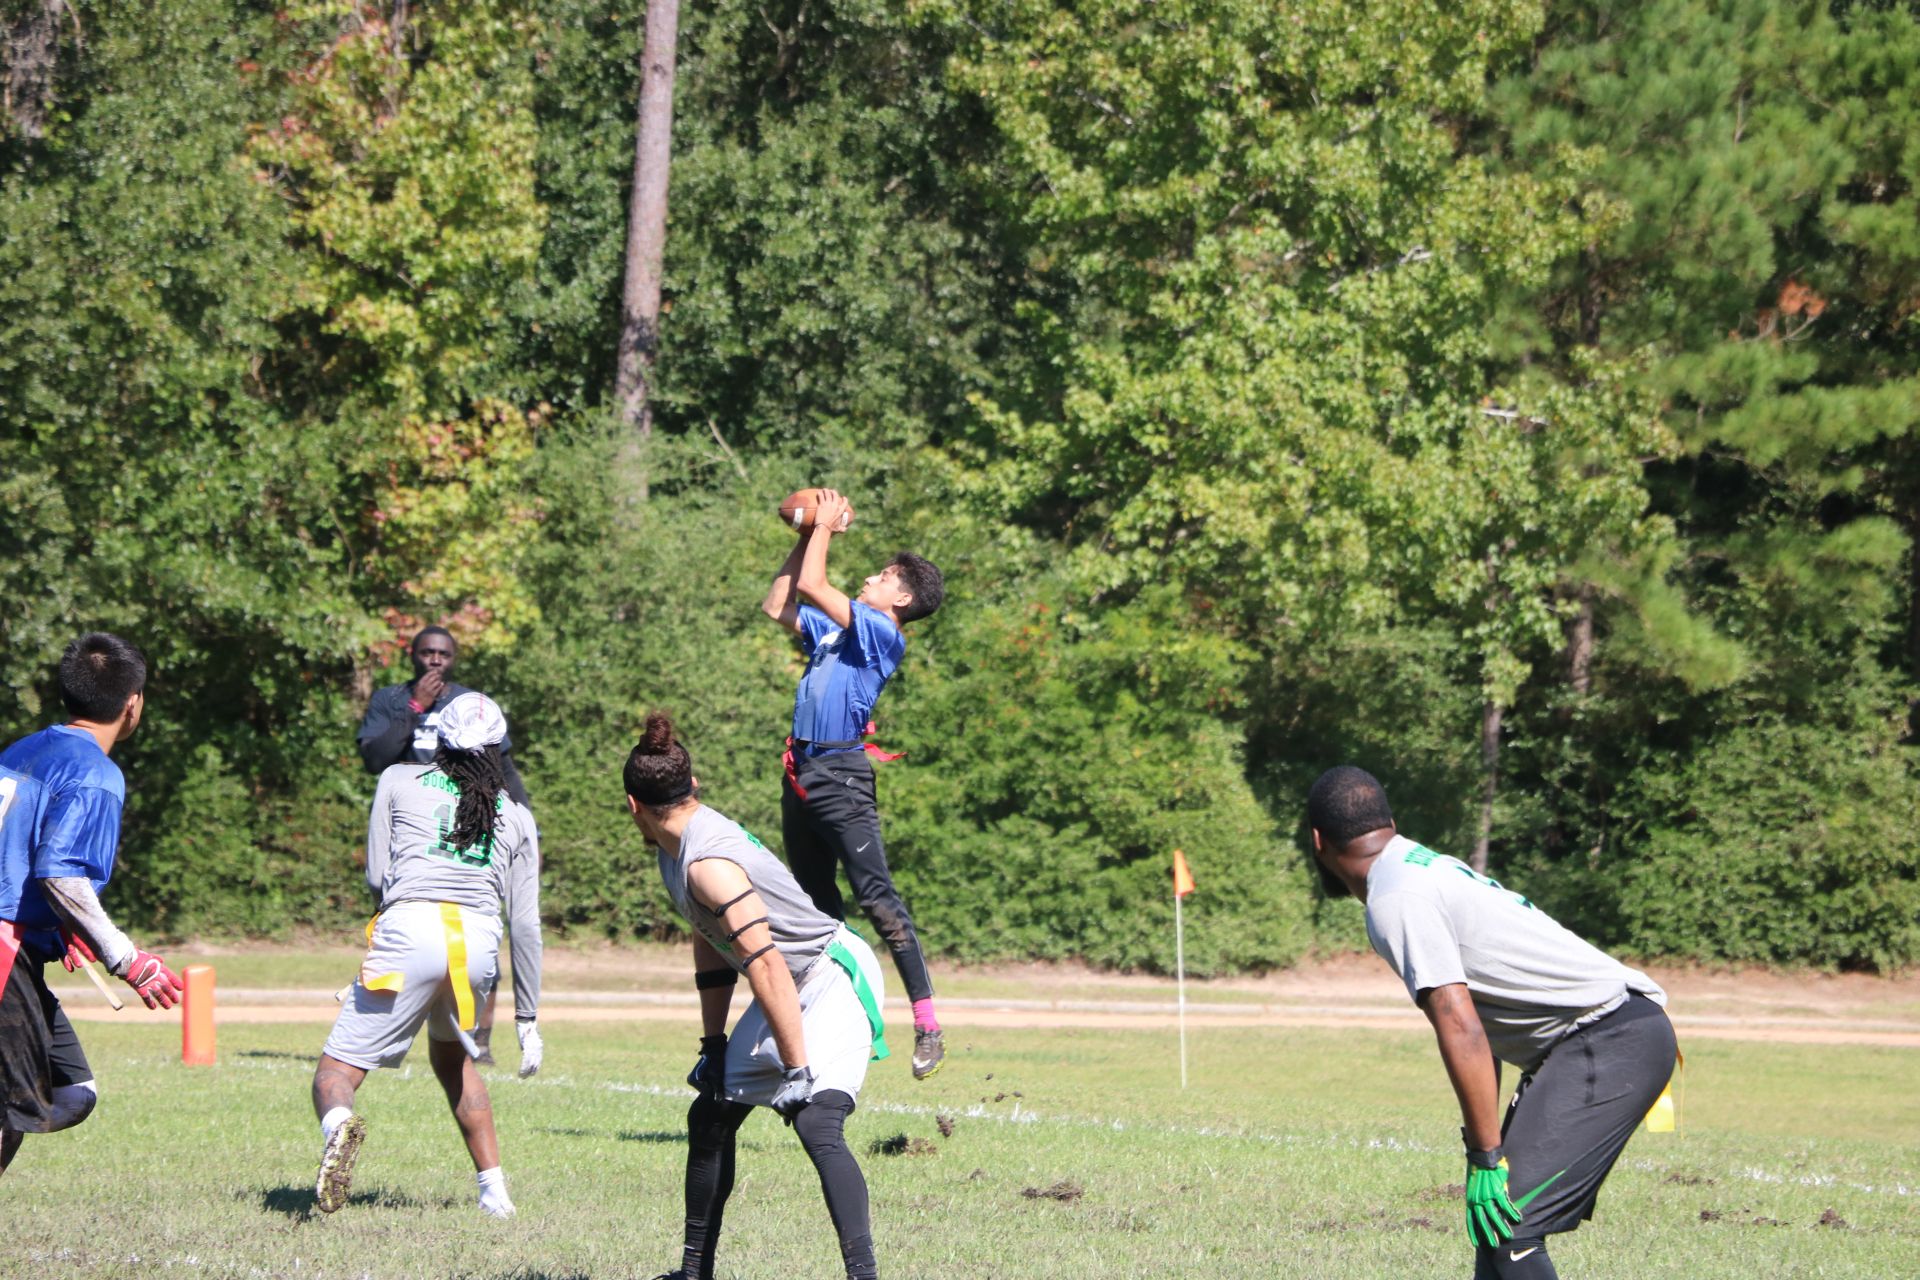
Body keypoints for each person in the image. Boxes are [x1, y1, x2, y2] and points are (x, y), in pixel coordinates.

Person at [1306, 766, 1677, 1280]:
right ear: (1389, 821)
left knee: (1512, 1228)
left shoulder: (1395, 896)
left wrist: (1485, 1156)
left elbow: (1459, 1024)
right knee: (1493, 1225)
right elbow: (1480, 1023)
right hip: (1605, 1038)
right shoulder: (1417, 866)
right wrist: (1486, 1146)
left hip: (1609, 1041)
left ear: (1317, 840)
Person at [626, 711, 886, 1280]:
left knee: (817, 1120)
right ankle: (694, 1273)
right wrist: (713, 1043)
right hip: (788, 984)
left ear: (632, 804)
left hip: (828, 973)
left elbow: (766, 964)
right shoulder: (676, 850)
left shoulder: (708, 862)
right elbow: (712, 942)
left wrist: (797, 1069)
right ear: (692, 787)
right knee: (712, 1112)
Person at [311, 691, 544, 1219]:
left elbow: (377, 875)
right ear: (497, 748)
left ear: (440, 736)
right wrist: (527, 1017)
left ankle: (339, 1128)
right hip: (477, 948)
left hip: (410, 931)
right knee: (454, 1061)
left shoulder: (396, 779)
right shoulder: (516, 815)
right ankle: (495, 1193)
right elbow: (526, 924)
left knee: (334, 1076)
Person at [760, 487, 947, 1080]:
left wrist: (824, 528)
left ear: (903, 597)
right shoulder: (841, 631)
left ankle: (927, 1025)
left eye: (884, 575)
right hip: (802, 775)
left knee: (879, 901)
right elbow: (778, 604)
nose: (870, 576)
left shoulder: (882, 634)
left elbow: (816, 585)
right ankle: (829, 1018)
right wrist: (803, 536)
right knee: (814, 905)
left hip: (841, 775)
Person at [1, 633, 185, 1179]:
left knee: (72, 1090)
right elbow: (60, 874)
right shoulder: (95, 773)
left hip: (21, 955)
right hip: (5, 957)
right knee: (14, 1104)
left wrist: (61, 930)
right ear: (133, 704)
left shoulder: (21, 749)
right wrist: (125, 956)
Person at [356, 624, 529, 1061]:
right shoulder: (390, 700)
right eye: (428, 652)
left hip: (468, 820)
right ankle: (390, 1029)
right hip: (414, 825)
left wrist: (524, 821)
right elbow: (375, 759)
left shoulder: (470, 703)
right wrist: (417, 707)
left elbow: (502, 764)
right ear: (412, 654)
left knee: (481, 923)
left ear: (454, 659)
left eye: (444, 654)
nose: (435, 659)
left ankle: (480, 1038)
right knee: (402, 926)